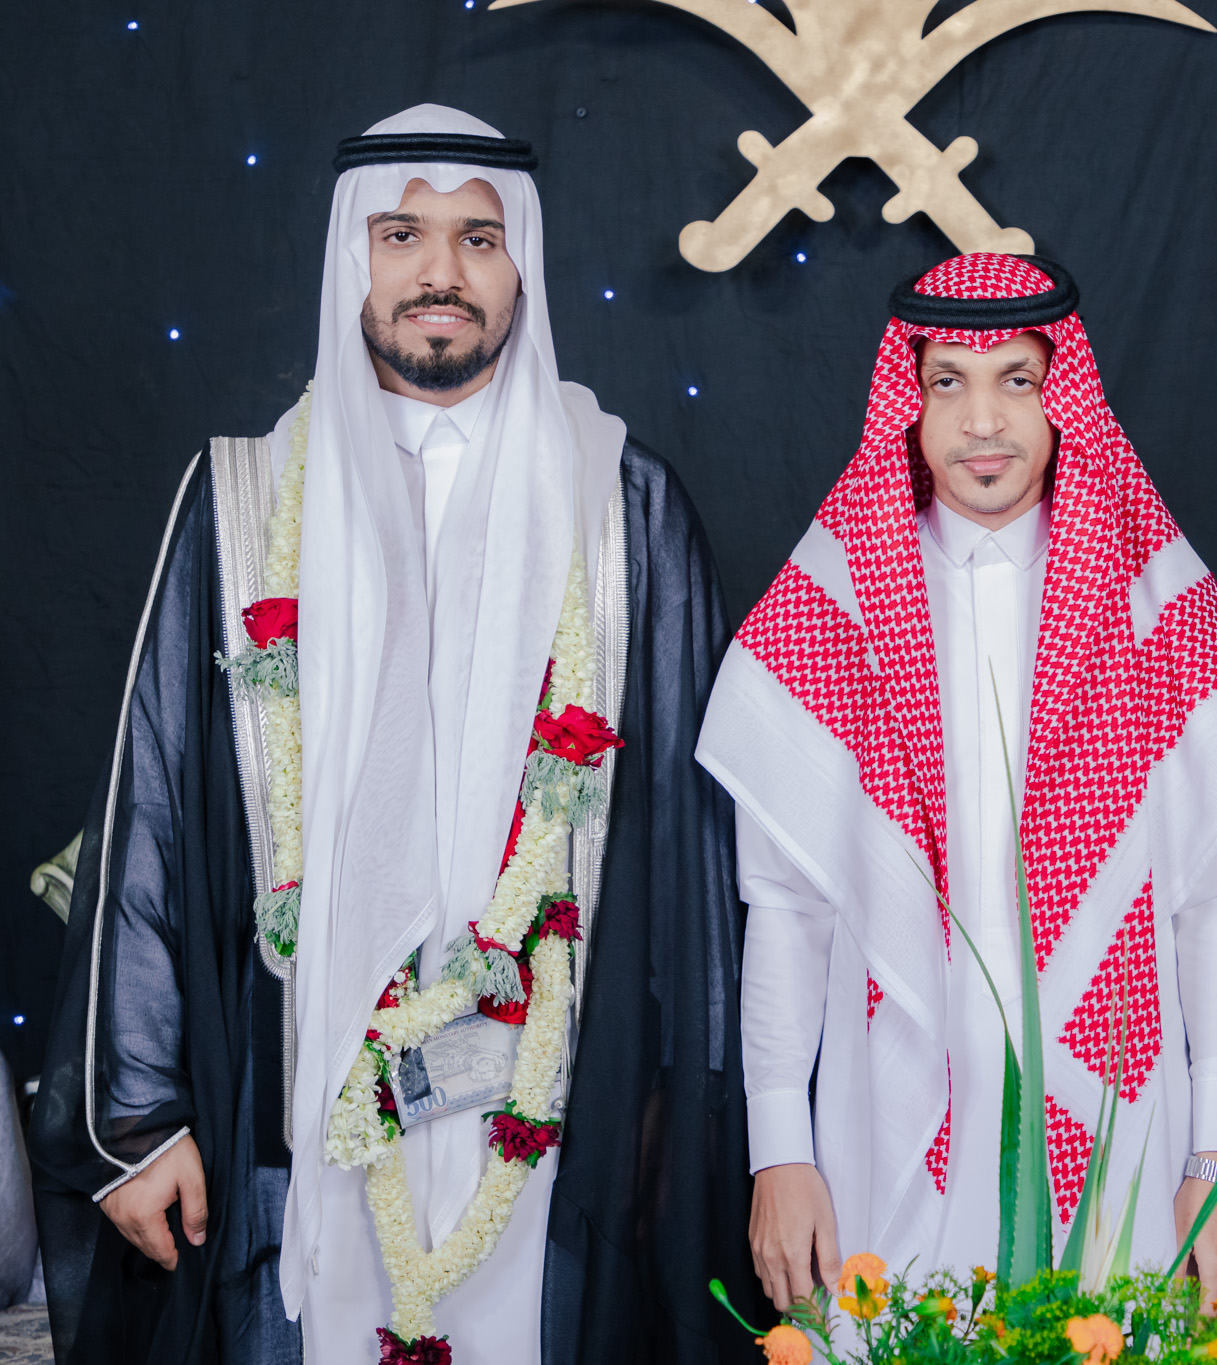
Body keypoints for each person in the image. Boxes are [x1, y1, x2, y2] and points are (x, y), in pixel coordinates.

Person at [29, 105, 755, 1365]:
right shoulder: (243, 499)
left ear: (520, 265)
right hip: (295, 1099)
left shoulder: (619, 504)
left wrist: (678, 1116)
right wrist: (134, 1121)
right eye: (402, 234)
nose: (440, 272)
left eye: (479, 238)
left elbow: (696, 850)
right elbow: (153, 804)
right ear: (349, 261)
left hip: (549, 1108)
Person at [697, 253, 1217, 1311]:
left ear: (1062, 397)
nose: (982, 421)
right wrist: (778, 1147)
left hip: (1125, 1136)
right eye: (948, 383)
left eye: (1016, 380)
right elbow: (785, 908)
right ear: (909, 399)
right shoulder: (830, 607)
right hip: (881, 1129)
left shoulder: (1158, 609)